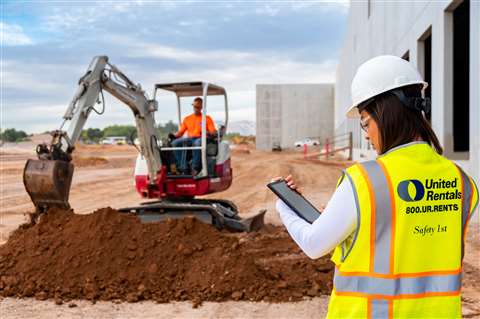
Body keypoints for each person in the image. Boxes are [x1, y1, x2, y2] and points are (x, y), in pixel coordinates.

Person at [274, 55, 478, 318]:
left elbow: (315, 244)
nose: (366, 134)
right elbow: (409, 231)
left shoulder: (364, 180)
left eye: (365, 122)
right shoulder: (462, 181)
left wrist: (284, 207)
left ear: (386, 113)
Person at [171, 97, 216, 175]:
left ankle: (195, 168)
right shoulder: (187, 119)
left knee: (197, 143)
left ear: (202, 107)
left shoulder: (207, 119)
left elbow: (212, 131)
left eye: (198, 107)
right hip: (190, 138)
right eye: (194, 107)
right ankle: (183, 167)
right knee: (175, 143)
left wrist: (209, 132)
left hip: (201, 138)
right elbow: (181, 132)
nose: (196, 109)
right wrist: (174, 135)